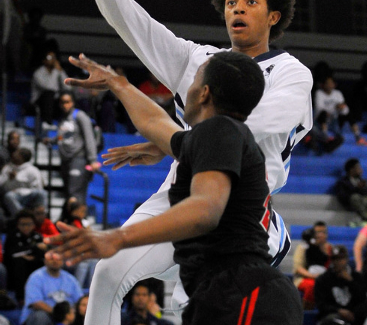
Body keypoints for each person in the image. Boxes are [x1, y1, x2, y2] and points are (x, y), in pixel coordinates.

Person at [65, 0, 313, 323]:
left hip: (244, 208)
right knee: (109, 270)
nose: (238, 9)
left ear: (274, 16)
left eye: (250, 1)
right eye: (231, 2)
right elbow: (123, 14)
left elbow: (251, 128)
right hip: (180, 192)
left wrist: (170, 144)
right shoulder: (197, 60)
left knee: (194, 305)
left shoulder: (291, 72)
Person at [45, 52, 303, 325]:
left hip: (243, 293)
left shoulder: (219, 132)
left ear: (203, 93)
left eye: (193, 81)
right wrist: (118, 84)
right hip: (229, 292)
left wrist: (118, 238)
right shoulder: (218, 137)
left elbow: (205, 210)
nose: (184, 90)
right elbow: (155, 124)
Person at [43, 92, 99, 204]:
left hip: (78, 158)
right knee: (69, 193)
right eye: (62, 102)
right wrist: (52, 140)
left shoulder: (80, 116)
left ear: (73, 103)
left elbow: (89, 138)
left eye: (68, 102)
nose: (65, 105)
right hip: (65, 159)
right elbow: (62, 136)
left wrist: (93, 160)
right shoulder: (63, 119)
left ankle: (79, 220)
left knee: (75, 192)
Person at [20, 255, 83, 325]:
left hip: (67, 316)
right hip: (46, 315)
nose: (55, 261)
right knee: (40, 316)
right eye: (51, 258)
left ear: (63, 261)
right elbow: (36, 303)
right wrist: (59, 314)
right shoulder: (36, 277)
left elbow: (79, 301)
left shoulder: (70, 279)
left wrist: (70, 314)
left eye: (58, 259)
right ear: (45, 261)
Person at [315, 245, 367, 325]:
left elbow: (362, 299)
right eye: (335, 259)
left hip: (355, 317)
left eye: (341, 258)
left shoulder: (357, 277)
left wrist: (350, 281)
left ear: (346, 259)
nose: (338, 262)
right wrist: (339, 311)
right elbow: (321, 304)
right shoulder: (323, 279)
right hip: (332, 317)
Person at [3, 209, 46, 303]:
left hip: (34, 263)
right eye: (23, 224)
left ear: (34, 224)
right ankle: (21, 298)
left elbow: (42, 252)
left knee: (42, 263)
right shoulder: (12, 236)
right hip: (14, 267)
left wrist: (33, 256)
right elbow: (12, 253)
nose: (26, 227)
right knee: (20, 263)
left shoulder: (37, 236)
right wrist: (34, 248)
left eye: (29, 224)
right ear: (18, 225)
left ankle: (43, 295)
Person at [314, 76, 367, 147]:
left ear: (334, 84)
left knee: (348, 114)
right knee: (323, 113)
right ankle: (325, 136)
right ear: (323, 85)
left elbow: (345, 109)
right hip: (320, 121)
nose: (329, 85)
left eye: (331, 83)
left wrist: (341, 108)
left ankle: (358, 137)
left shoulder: (337, 93)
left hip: (334, 120)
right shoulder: (319, 93)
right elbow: (319, 108)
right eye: (327, 83)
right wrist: (335, 107)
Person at [293, 221, 333, 310]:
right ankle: (306, 311)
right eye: (318, 232)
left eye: (324, 232)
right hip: (304, 278)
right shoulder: (303, 247)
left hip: (324, 278)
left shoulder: (330, 248)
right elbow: (298, 267)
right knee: (312, 286)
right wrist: (314, 276)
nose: (321, 235)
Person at [0, 147, 46, 218]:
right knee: (9, 196)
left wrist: (19, 189)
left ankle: (41, 218)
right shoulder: (8, 168)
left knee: (42, 193)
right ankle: (21, 217)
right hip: (12, 196)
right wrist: (9, 179)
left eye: (16, 153)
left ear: (22, 157)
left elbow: (38, 188)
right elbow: (2, 186)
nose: (13, 154)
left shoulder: (32, 170)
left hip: (28, 196)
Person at [30, 50, 70, 125]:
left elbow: (68, 87)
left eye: (54, 57)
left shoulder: (58, 71)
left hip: (53, 102)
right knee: (49, 94)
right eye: (49, 57)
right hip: (38, 102)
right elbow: (48, 87)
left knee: (68, 97)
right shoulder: (38, 73)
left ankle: (67, 123)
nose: (53, 60)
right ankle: (47, 123)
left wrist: (60, 71)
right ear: (44, 60)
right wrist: (55, 72)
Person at [0, 0, 24, 80]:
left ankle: (4, 71)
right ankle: (16, 72)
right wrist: (21, 16)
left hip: (1, 16)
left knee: (3, 44)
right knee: (14, 45)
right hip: (10, 17)